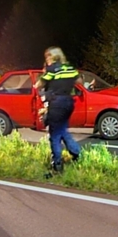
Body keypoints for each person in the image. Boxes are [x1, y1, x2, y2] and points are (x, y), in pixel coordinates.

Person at [34, 46, 81, 175]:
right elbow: (79, 80)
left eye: (48, 56)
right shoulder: (69, 68)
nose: (47, 59)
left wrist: (44, 77)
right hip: (68, 103)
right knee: (62, 129)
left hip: (57, 103)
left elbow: (38, 84)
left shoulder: (52, 70)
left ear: (52, 57)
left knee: (54, 135)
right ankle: (76, 152)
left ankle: (57, 164)